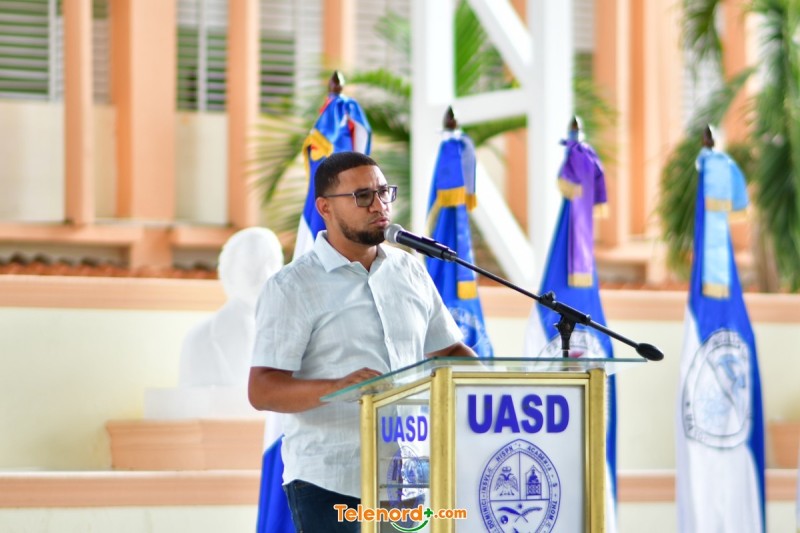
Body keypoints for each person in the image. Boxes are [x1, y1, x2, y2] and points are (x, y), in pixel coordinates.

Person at [248, 151, 476, 533]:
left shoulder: (410, 271)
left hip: (408, 476)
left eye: (384, 192)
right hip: (331, 481)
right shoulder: (292, 287)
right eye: (363, 196)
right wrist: (338, 387)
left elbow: (449, 350)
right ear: (325, 208)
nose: (379, 205)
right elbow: (262, 389)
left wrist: (494, 389)